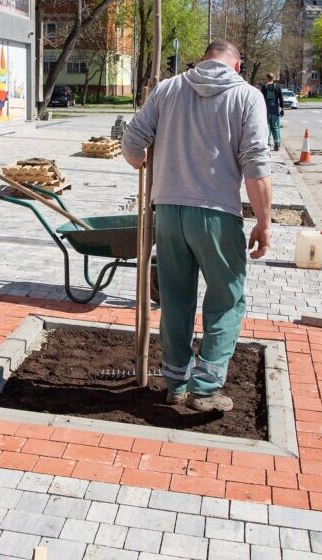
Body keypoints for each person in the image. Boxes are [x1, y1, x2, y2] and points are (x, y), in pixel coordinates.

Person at [122, 40, 273, 412]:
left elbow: (131, 142)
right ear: (236, 65)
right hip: (217, 213)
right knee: (226, 298)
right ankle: (205, 388)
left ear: (203, 60)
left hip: (169, 211)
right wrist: (264, 222)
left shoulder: (168, 88)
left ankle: (175, 383)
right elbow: (255, 163)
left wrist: (141, 160)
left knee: (175, 299)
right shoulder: (247, 96)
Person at [260, 73, 284, 151]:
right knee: (276, 128)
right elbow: (281, 98)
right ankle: (277, 144)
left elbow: (261, 99)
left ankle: (268, 144)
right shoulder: (277, 87)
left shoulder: (264, 87)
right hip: (275, 111)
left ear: (267, 78)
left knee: (267, 128)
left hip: (266, 111)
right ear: (273, 78)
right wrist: (282, 109)